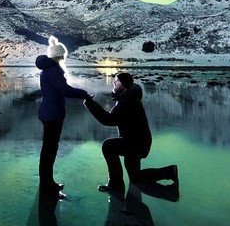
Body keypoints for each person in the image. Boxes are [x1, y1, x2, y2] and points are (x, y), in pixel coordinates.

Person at [84, 71, 179, 193]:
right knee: (135, 177)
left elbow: (108, 120)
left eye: (117, 81)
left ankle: (115, 185)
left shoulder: (127, 102)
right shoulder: (128, 98)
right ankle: (169, 171)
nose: (114, 83)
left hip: (135, 143)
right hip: (137, 142)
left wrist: (90, 103)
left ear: (123, 85)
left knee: (108, 146)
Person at [35, 35, 88, 198]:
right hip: (52, 114)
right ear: (58, 55)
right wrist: (84, 93)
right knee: (50, 149)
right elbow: (64, 90)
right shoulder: (53, 70)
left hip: (49, 112)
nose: (64, 57)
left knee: (49, 148)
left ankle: (47, 182)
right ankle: (47, 184)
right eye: (63, 55)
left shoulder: (48, 69)